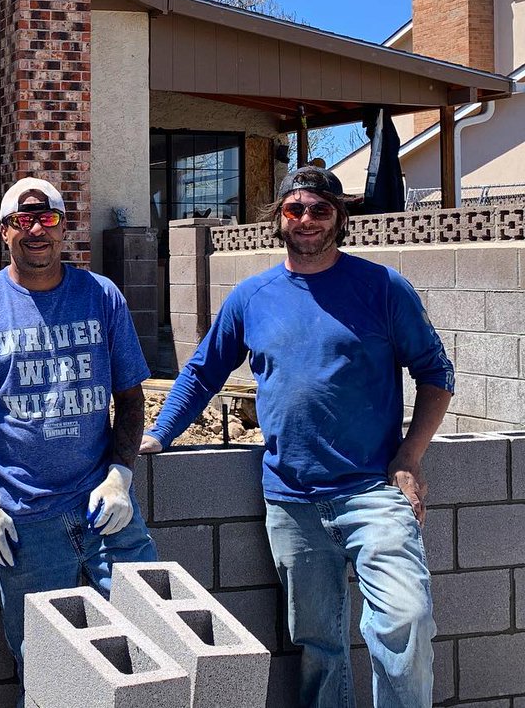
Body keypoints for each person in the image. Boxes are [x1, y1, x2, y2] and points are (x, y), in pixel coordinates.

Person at [143, 166, 454, 708]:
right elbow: (201, 373)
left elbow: (436, 374)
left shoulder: (382, 288)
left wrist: (410, 457)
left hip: (373, 492)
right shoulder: (251, 297)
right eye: (295, 209)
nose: (306, 220)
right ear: (279, 218)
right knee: (318, 646)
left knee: (405, 621)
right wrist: (159, 435)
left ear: (339, 218)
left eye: (320, 209)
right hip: (291, 501)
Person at [0, 177, 157, 702]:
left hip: (106, 513)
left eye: (48, 218)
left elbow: (130, 396)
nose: (37, 229)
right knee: (47, 670)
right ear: (4, 231)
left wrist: (121, 476)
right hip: (24, 524)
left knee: (152, 642)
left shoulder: (102, 297)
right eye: (23, 219)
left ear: (64, 227)